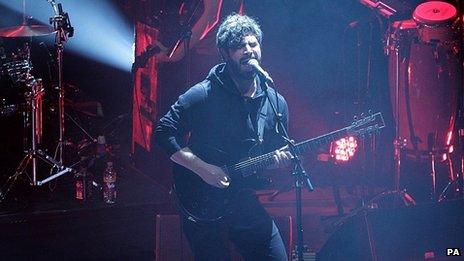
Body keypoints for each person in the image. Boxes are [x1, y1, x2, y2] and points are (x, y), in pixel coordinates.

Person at [155, 13, 292, 261]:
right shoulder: (204, 93)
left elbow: (275, 150)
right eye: (239, 46)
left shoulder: (275, 102)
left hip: (240, 196)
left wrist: (277, 161)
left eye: (253, 44)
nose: (249, 51)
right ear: (226, 54)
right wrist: (203, 169)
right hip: (201, 198)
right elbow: (164, 131)